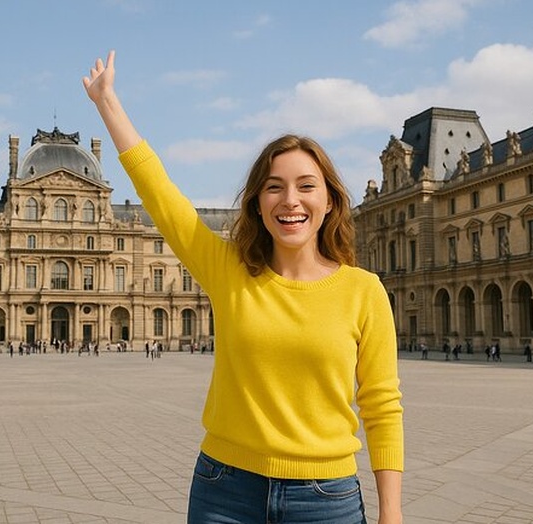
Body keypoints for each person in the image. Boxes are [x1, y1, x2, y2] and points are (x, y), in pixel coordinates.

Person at [83, 50, 404, 524]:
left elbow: (382, 405)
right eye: (274, 187)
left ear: (330, 201)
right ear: (256, 203)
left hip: (325, 498)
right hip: (224, 491)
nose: (290, 200)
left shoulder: (364, 290)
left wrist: (391, 512)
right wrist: (107, 101)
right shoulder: (228, 269)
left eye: (306, 186)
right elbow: (162, 196)